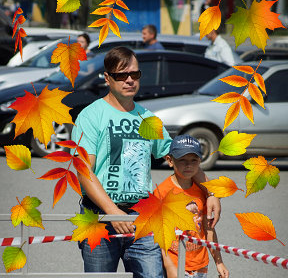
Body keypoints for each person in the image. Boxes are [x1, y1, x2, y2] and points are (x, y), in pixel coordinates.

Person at [71, 46, 221, 276]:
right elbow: (83, 172)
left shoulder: (149, 119)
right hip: (98, 216)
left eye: (135, 74)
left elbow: (184, 159)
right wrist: (113, 212)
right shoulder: (90, 116)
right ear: (107, 78)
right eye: (122, 75)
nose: (130, 80)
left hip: (143, 217)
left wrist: (211, 193)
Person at [154, 134, 229, 278]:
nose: (188, 165)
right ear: (170, 160)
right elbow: (158, 236)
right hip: (174, 265)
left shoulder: (203, 192)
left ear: (200, 161)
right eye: (182, 160)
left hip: (200, 265)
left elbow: (209, 229)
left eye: (194, 160)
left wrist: (219, 262)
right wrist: (169, 266)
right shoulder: (161, 193)